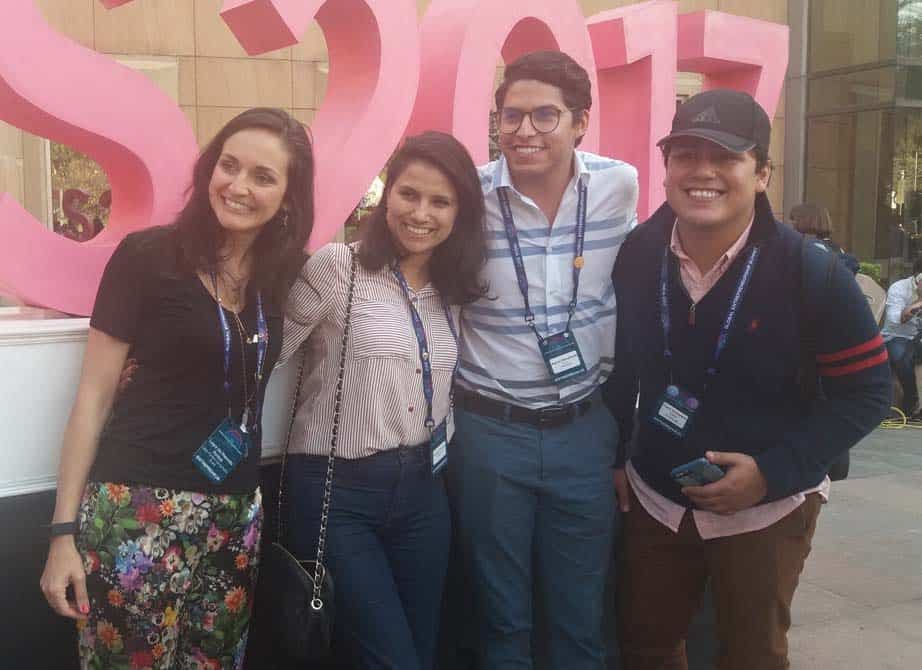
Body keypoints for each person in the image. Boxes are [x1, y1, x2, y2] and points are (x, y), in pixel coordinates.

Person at [603, 89, 891, 670]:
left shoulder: (811, 273)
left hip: (767, 509)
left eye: (725, 157)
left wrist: (771, 473)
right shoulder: (638, 254)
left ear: (761, 174)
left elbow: (868, 393)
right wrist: (614, 458)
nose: (702, 171)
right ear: (666, 168)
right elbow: (622, 365)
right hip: (655, 498)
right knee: (646, 648)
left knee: (750, 654)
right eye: (686, 155)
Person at [39, 107, 314, 669]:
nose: (238, 186)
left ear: (288, 198)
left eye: (263, 176)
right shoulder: (147, 257)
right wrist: (62, 533)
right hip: (136, 511)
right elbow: (93, 397)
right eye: (228, 166)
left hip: (236, 515)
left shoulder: (285, 276)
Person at [447, 50, 639, 668]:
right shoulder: (468, 196)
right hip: (490, 432)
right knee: (502, 617)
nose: (524, 131)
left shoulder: (618, 185)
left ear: (580, 122)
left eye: (544, 116)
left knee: (580, 616)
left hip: (585, 431)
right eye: (511, 116)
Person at [280, 131, 487, 670]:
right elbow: (266, 353)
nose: (421, 213)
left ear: (460, 213)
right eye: (408, 194)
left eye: (440, 201)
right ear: (386, 194)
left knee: (422, 649)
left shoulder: (452, 288)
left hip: (424, 490)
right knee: (391, 658)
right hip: (338, 490)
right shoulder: (337, 268)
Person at [881, 256, 922, 418]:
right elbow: (895, 320)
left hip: (918, 338)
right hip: (896, 336)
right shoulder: (899, 288)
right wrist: (919, 300)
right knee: (901, 355)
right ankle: (912, 401)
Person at [790, 202, 860, 274]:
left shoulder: (809, 248)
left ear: (807, 221)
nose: (791, 223)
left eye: (794, 219)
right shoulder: (836, 248)